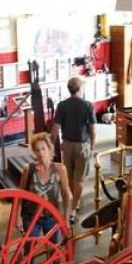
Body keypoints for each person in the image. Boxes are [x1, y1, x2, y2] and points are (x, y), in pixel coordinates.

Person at [50, 77, 96, 224]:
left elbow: (55, 129)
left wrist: (51, 147)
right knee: (80, 179)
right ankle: (74, 208)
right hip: (82, 146)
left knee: (70, 177)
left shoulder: (62, 106)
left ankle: (72, 204)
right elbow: (93, 129)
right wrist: (93, 146)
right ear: (80, 88)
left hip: (67, 145)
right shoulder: (88, 105)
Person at [18, 133, 71, 239]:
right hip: (31, 217)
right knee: (30, 249)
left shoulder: (60, 169)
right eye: (37, 150)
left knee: (55, 249)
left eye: (43, 149)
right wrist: (17, 217)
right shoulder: (28, 169)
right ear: (33, 152)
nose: (41, 153)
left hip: (52, 216)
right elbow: (19, 196)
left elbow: (67, 195)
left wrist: (66, 218)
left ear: (49, 149)